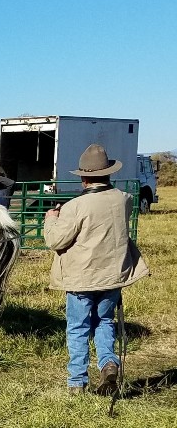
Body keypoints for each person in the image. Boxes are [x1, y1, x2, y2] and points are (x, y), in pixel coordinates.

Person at [43, 144, 149, 396]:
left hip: (82, 278)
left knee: (78, 327)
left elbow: (56, 241)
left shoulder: (75, 206)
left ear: (84, 176)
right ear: (108, 173)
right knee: (104, 322)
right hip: (113, 275)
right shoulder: (125, 199)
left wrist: (52, 219)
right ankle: (108, 363)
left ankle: (77, 382)